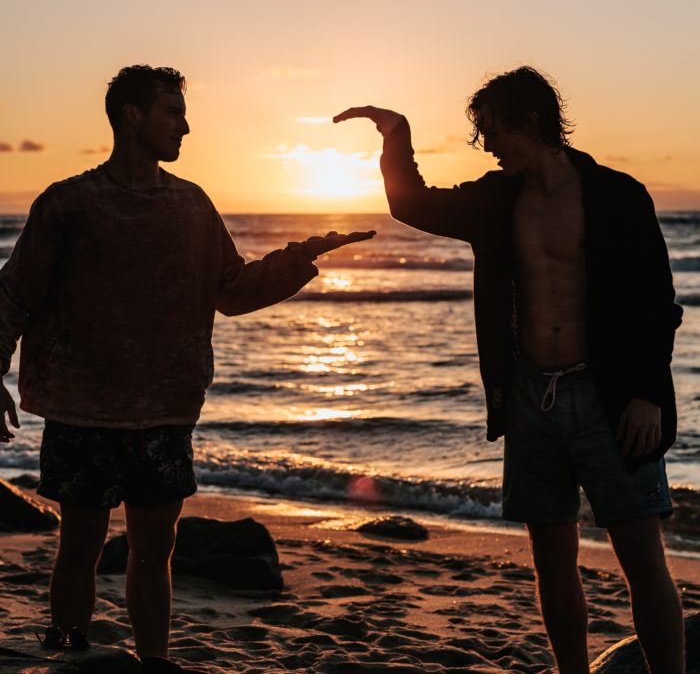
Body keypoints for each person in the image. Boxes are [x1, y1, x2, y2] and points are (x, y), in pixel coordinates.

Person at [0, 64, 373, 674]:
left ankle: (154, 663)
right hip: (83, 410)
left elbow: (231, 289)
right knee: (80, 549)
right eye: (172, 111)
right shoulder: (69, 204)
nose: (186, 125)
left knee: (156, 552)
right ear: (132, 117)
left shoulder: (192, 205)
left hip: (166, 409)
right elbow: (13, 294)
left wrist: (300, 256)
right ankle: (67, 650)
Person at [334, 66, 684, 673]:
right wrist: (396, 134)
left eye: (492, 130)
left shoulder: (617, 195)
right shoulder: (498, 199)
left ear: (531, 121)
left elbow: (658, 302)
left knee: (641, 558)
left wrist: (648, 395)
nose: (486, 145)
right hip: (530, 399)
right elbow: (411, 203)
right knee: (552, 559)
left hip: (611, 399)